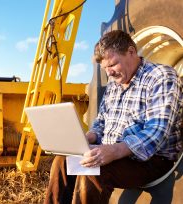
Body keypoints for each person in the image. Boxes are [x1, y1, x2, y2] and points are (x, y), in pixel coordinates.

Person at [44, 30, 183, 204]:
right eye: (105, 68)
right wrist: (89, 137)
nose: (109, 73)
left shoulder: (161, 76)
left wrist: (114, 151)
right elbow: (101, 121)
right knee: (62, 162)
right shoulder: (114, 84)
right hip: (116, 153)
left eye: (113, 64)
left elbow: (157, 132)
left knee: (95, 172)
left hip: (153, 160)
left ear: (131, 52)